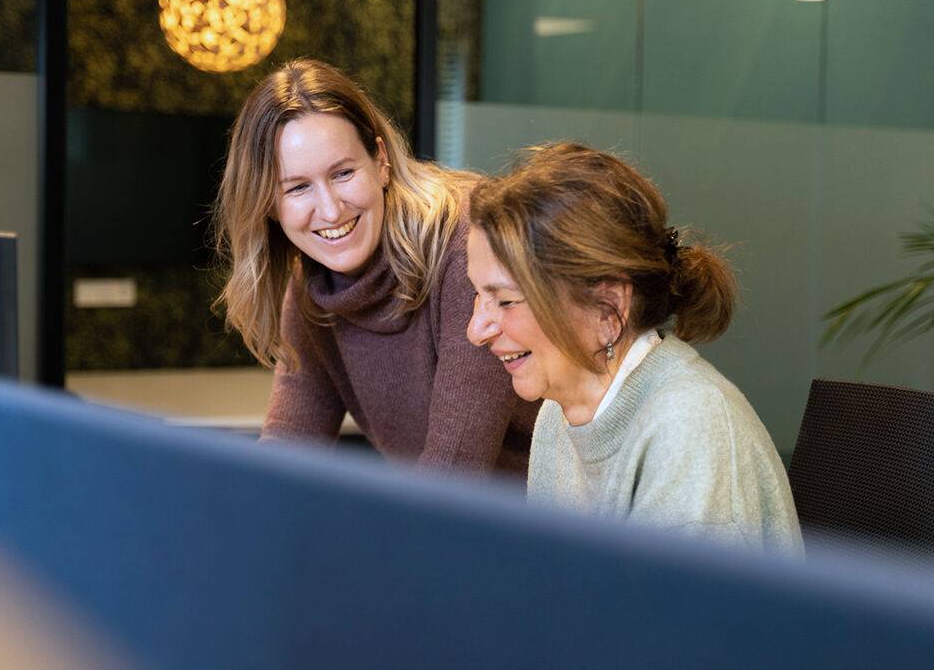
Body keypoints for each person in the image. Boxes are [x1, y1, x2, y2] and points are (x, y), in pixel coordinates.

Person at [465, 141, 802, 552]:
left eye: (505, 301)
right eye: (477, 295)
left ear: (608, 309)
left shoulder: (689, 430)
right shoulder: (559, 411)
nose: (476, 330)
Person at [214, 58, 536, 475]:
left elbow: (454, 471)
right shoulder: (315, 283)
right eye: (297, 188)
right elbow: (288, 447)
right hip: (449, 523)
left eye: (343, 173)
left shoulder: (468, 247)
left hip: (549, 522)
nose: (330, 210)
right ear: (268, 204)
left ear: (380, 161)